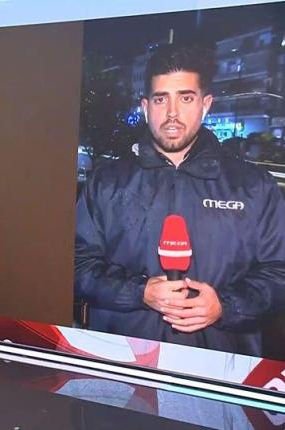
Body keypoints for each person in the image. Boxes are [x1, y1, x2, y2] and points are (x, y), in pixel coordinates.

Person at [74, 44, 285, 356]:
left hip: (220, 365)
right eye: (161, 99)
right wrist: (139, 292)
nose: (172, 113)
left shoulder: (254, 186)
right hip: (123, 362)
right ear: (146, 107)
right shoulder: (106, 183)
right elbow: (76, 264)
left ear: (205, 104)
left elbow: (279, 272)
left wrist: (225, 305)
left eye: (186, 98)